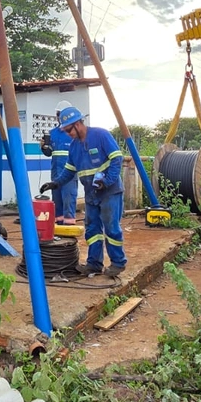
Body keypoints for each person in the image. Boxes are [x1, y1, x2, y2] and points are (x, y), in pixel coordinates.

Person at [40, 107, 127, 277]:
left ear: (78, 124)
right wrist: (55, 184)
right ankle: (94, 264)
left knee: (111, 228)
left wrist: (107, 181)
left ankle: (118, 263)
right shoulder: (73, 147)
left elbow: (117, 159)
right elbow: (69, 171)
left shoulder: (101, 135)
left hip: (110, 191)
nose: (67, 134)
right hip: (91, 193)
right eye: (64, 131)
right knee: (92, 229)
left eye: (69, 130)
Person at [45, 100, 78, 225]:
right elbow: (49, 153)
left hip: (69, 174)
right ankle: (58, 228)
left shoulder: (73, 134)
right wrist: (44, 147)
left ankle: (69, 229)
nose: (59, 117)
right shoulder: (53, 133)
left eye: (61, 114)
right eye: (58, 114)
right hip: (56, 174)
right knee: (57, 202)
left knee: (69, 200)